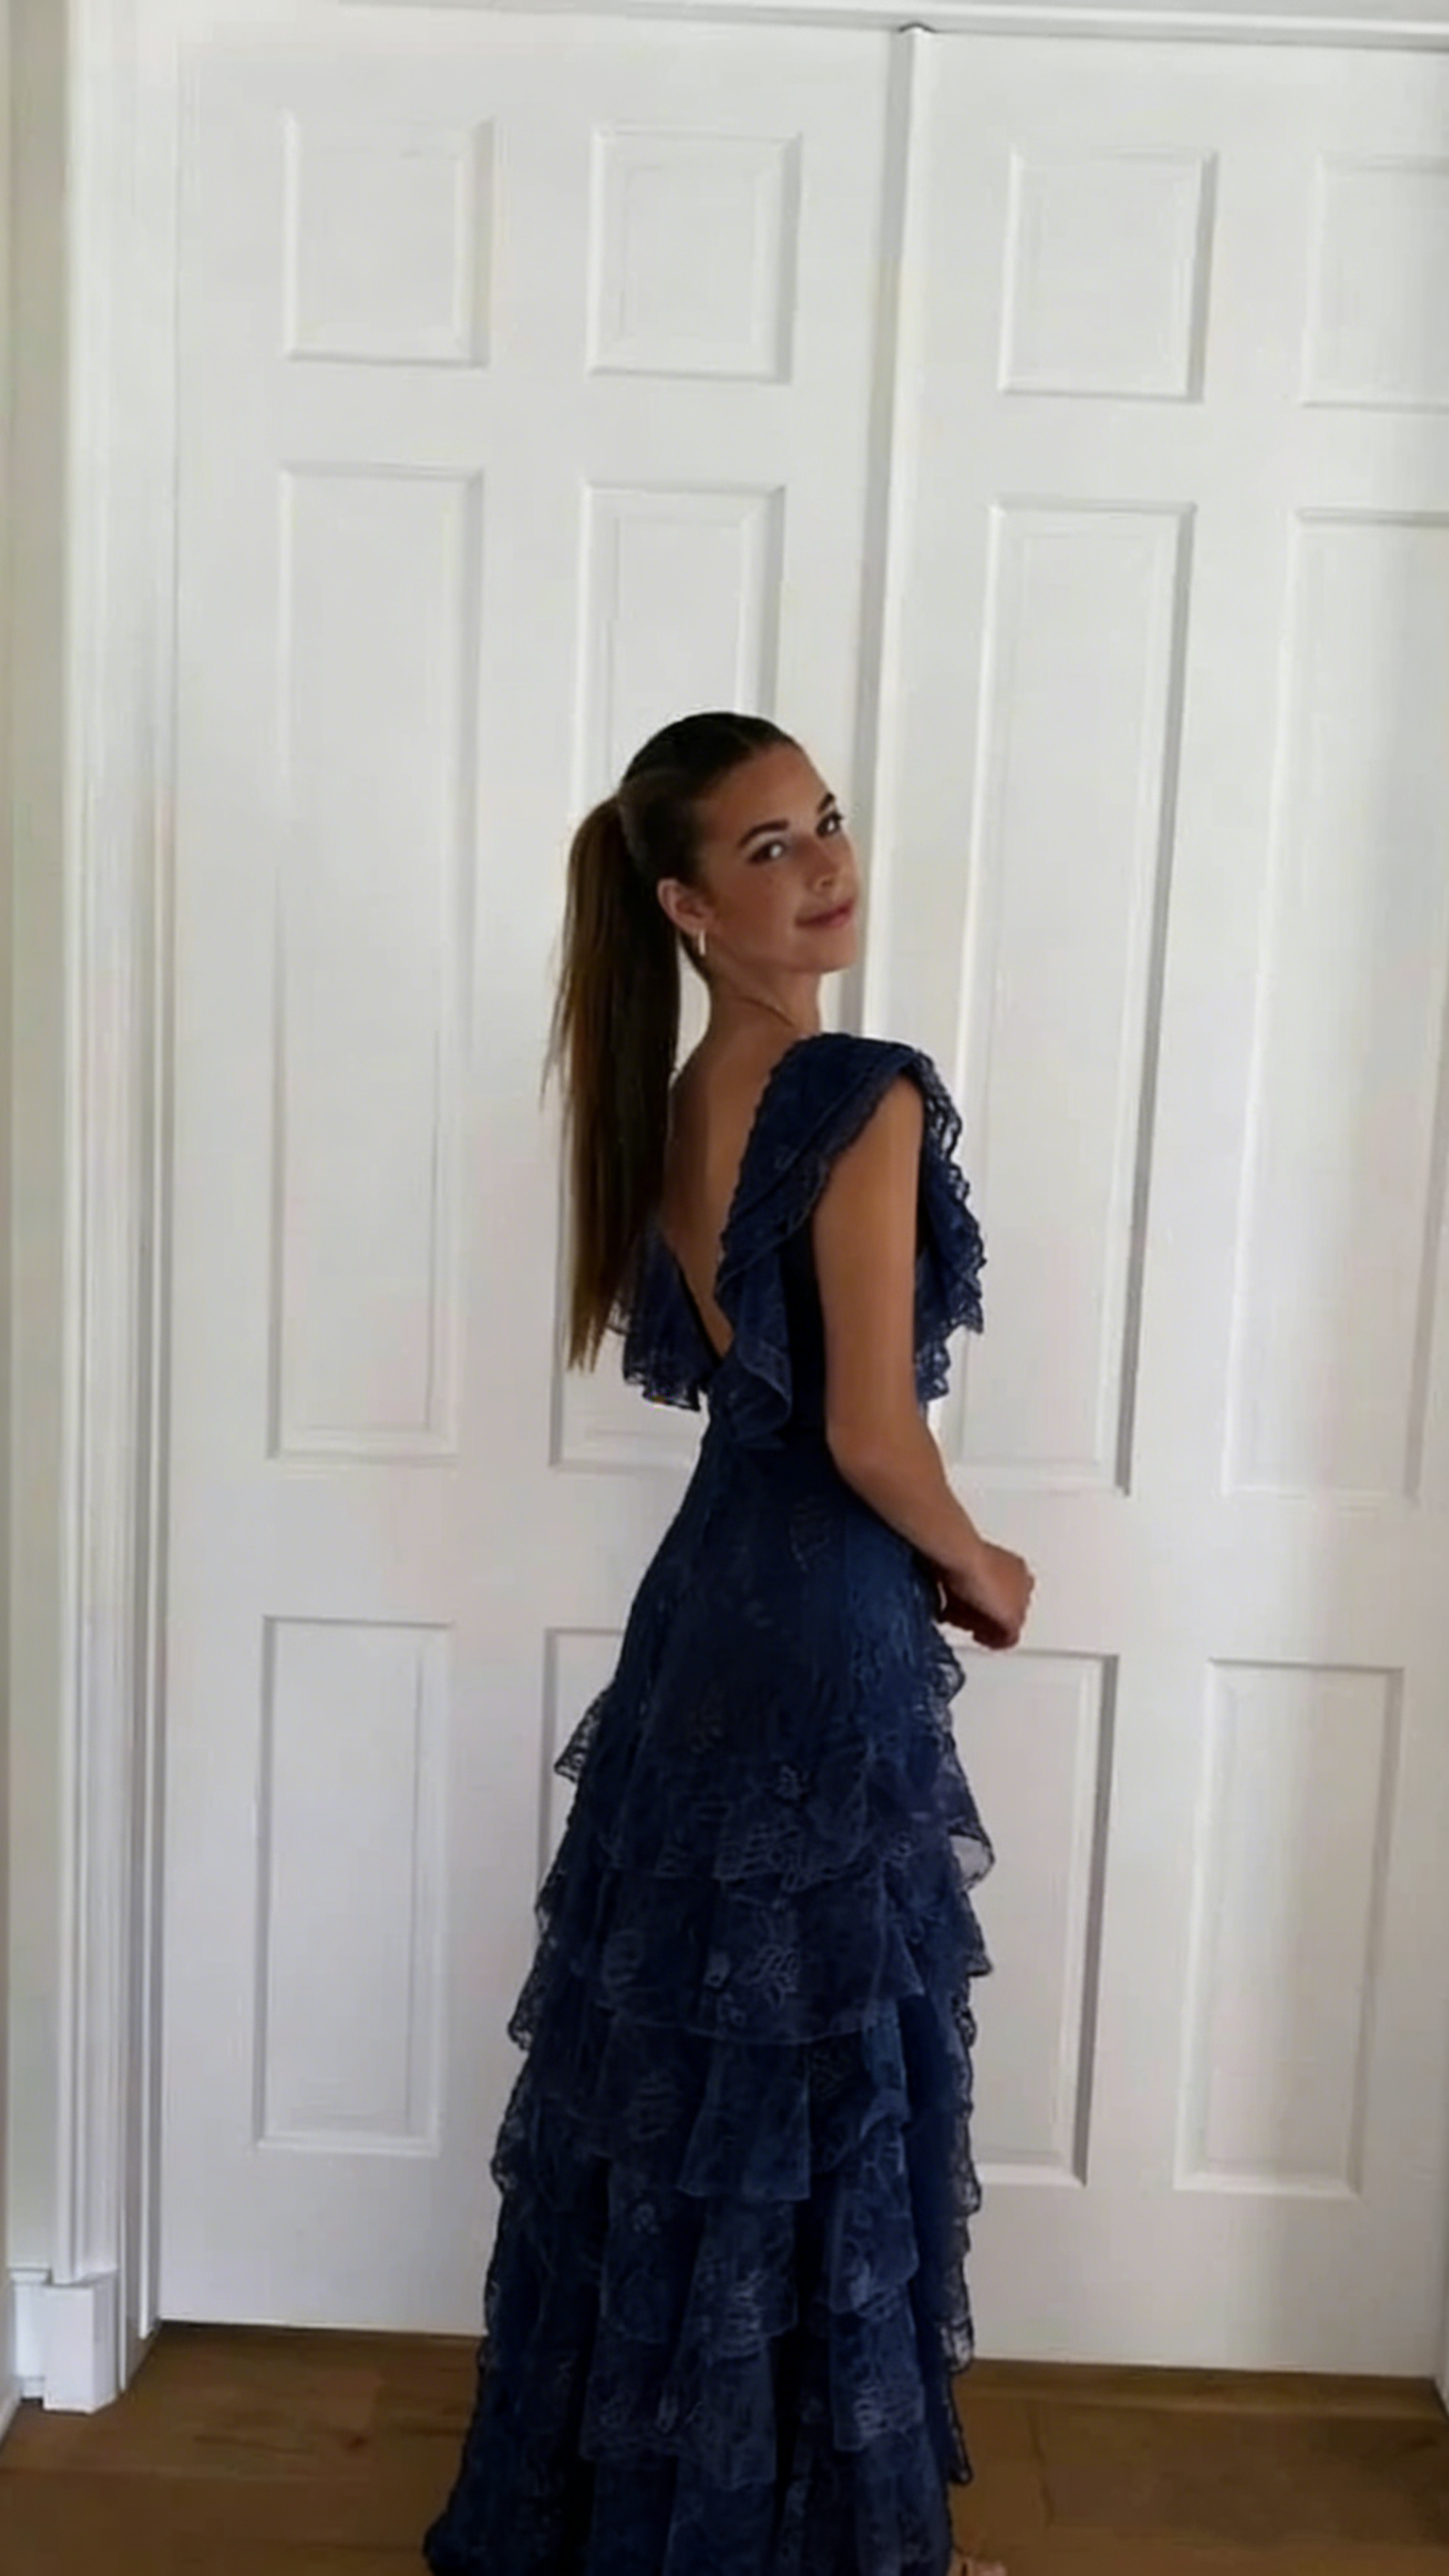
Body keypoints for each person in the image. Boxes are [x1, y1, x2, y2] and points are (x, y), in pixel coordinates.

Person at [423, 711, 1034, 2576]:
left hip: (707, 1613)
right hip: (822, 1626)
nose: (827, 862)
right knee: (814, 2070)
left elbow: (770, 1406)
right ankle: (799, 2535)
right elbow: (867, 1432)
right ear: (688, 905)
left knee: (700, 2071)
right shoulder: (854, 1089)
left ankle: (657, 2519)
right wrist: (985, 1561)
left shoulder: (683, 1094)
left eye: (825, 820)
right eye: (770, 847)